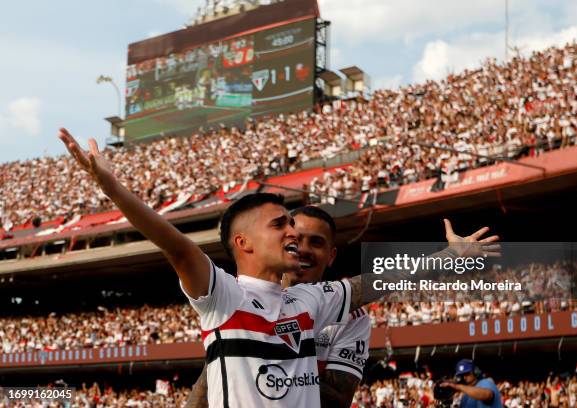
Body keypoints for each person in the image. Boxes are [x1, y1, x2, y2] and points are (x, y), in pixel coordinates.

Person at [59, 128, 498, 408]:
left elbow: (374, 282)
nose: (293, 232)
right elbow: (174, 245)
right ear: (243, 243)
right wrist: (114, 189)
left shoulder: (309, 300)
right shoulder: (222, 296)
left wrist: (449, 259)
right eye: (281, 224)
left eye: (294, 223)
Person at [185, 205, 371, 408]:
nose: (304, 249)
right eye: (296, 239)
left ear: (331, 256)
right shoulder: (239, 300)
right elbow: (208, 384)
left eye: (316, 242)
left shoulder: (354, 316)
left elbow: (336, 399)